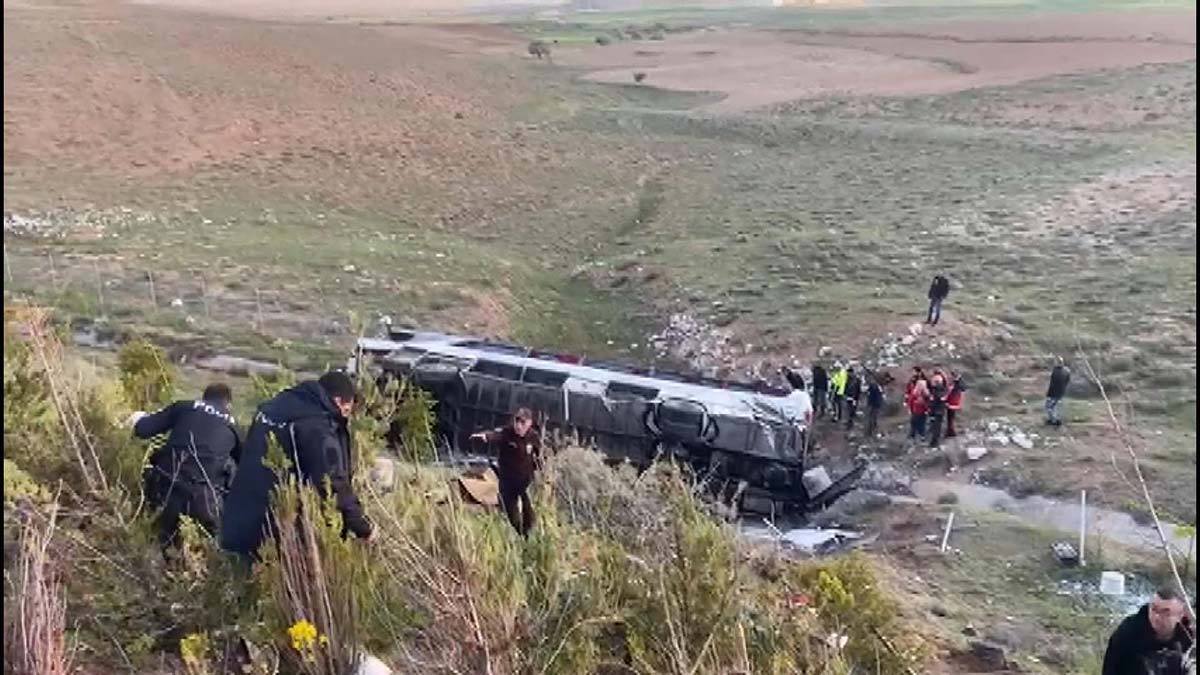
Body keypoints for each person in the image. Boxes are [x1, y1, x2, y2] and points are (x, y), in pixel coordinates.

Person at [220, 372, 374, 560]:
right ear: (338, 401)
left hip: (237, 518)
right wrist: (361, 526)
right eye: (347, 410)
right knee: (272, 585)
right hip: (274, 529)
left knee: (238, 579)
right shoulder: (316, 425)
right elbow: (331, 480)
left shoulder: (272, 408)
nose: (345, 417)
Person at [131, 383, 241, 548]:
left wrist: (139, 417)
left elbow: (142, 429)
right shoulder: (235, 428)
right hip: (204, 504)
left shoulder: (185, 407)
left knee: (152, 543)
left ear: (204, 398)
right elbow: (245, 468)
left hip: (164, 490)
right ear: (229, 405)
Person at [470, 408, 542, 537]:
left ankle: (529, 533)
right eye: (517, 421)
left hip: (525, 480)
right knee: (512, 514)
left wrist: (540, 471)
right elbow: (496, 435)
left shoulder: (533, 437)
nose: (518, 426)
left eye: (522, 423)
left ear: (529, 423)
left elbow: (540, 456)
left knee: (528, 508)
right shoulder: (507, 433)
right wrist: (485, 436)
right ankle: (521, 533)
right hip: (508, 480)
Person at [1103, 587, 1194, 675]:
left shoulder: (1188, 635)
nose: (1157, 617)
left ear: (1180, 615)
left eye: (1165, 612)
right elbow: (1110, 668)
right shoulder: (1129, 631)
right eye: (1154, 609)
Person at [782, 369, 814, 454]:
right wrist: (808, 425)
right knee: (802, 448)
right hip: (802, 426)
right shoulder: (804, 395)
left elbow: (785, 413)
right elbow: (809, 412)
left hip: (792, 426)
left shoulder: (790, 397)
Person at [1045, 358, 1071, 426]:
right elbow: (1067, 381)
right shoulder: (1067, 371)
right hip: (1061, 392)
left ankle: (1053, 421)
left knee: (1049, 407)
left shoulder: (1055, 371)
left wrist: (1049, 393)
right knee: (1057, 406)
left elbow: (1052, 383)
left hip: (1053, 392)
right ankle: (1057, 419)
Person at [927, 371, 949, 448]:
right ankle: (934, 442)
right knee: (935, 427)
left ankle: (934, 443)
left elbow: (939, 399)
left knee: (936, 427)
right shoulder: (937, 389)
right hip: (936, 410)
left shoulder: (938, 390)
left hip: (938, 411)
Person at [946, 371, 965, 438]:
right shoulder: (956, 383)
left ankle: (952, 431)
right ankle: (950, 431)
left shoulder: (959, 384)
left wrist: (958, 405)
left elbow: (961, 395)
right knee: (950, 418)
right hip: (952, 402)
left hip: (954, 402)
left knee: (952, 418)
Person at [843, 367, 863, 431]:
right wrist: (845, 394)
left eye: (849, 373)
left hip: (854, 398)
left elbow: (858, 390)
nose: (848, 374)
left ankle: (850, 424)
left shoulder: (856, 380)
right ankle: (849, 422)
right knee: (848, 410)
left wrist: (856, 398)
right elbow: (845, 387)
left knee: (851, 411)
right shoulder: (848, 379)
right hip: (849, 397)